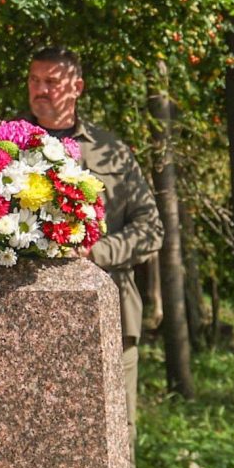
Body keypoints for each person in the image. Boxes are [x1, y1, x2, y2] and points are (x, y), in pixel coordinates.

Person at [27, 45, 162, 422]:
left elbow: (151, 229)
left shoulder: (110, 151)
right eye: (35, 81)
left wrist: (96, 253)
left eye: (52, 81)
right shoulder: (7, 147)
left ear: (77, 87)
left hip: (110, 314)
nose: (42, 89)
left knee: (117, 436)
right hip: (26, 319)